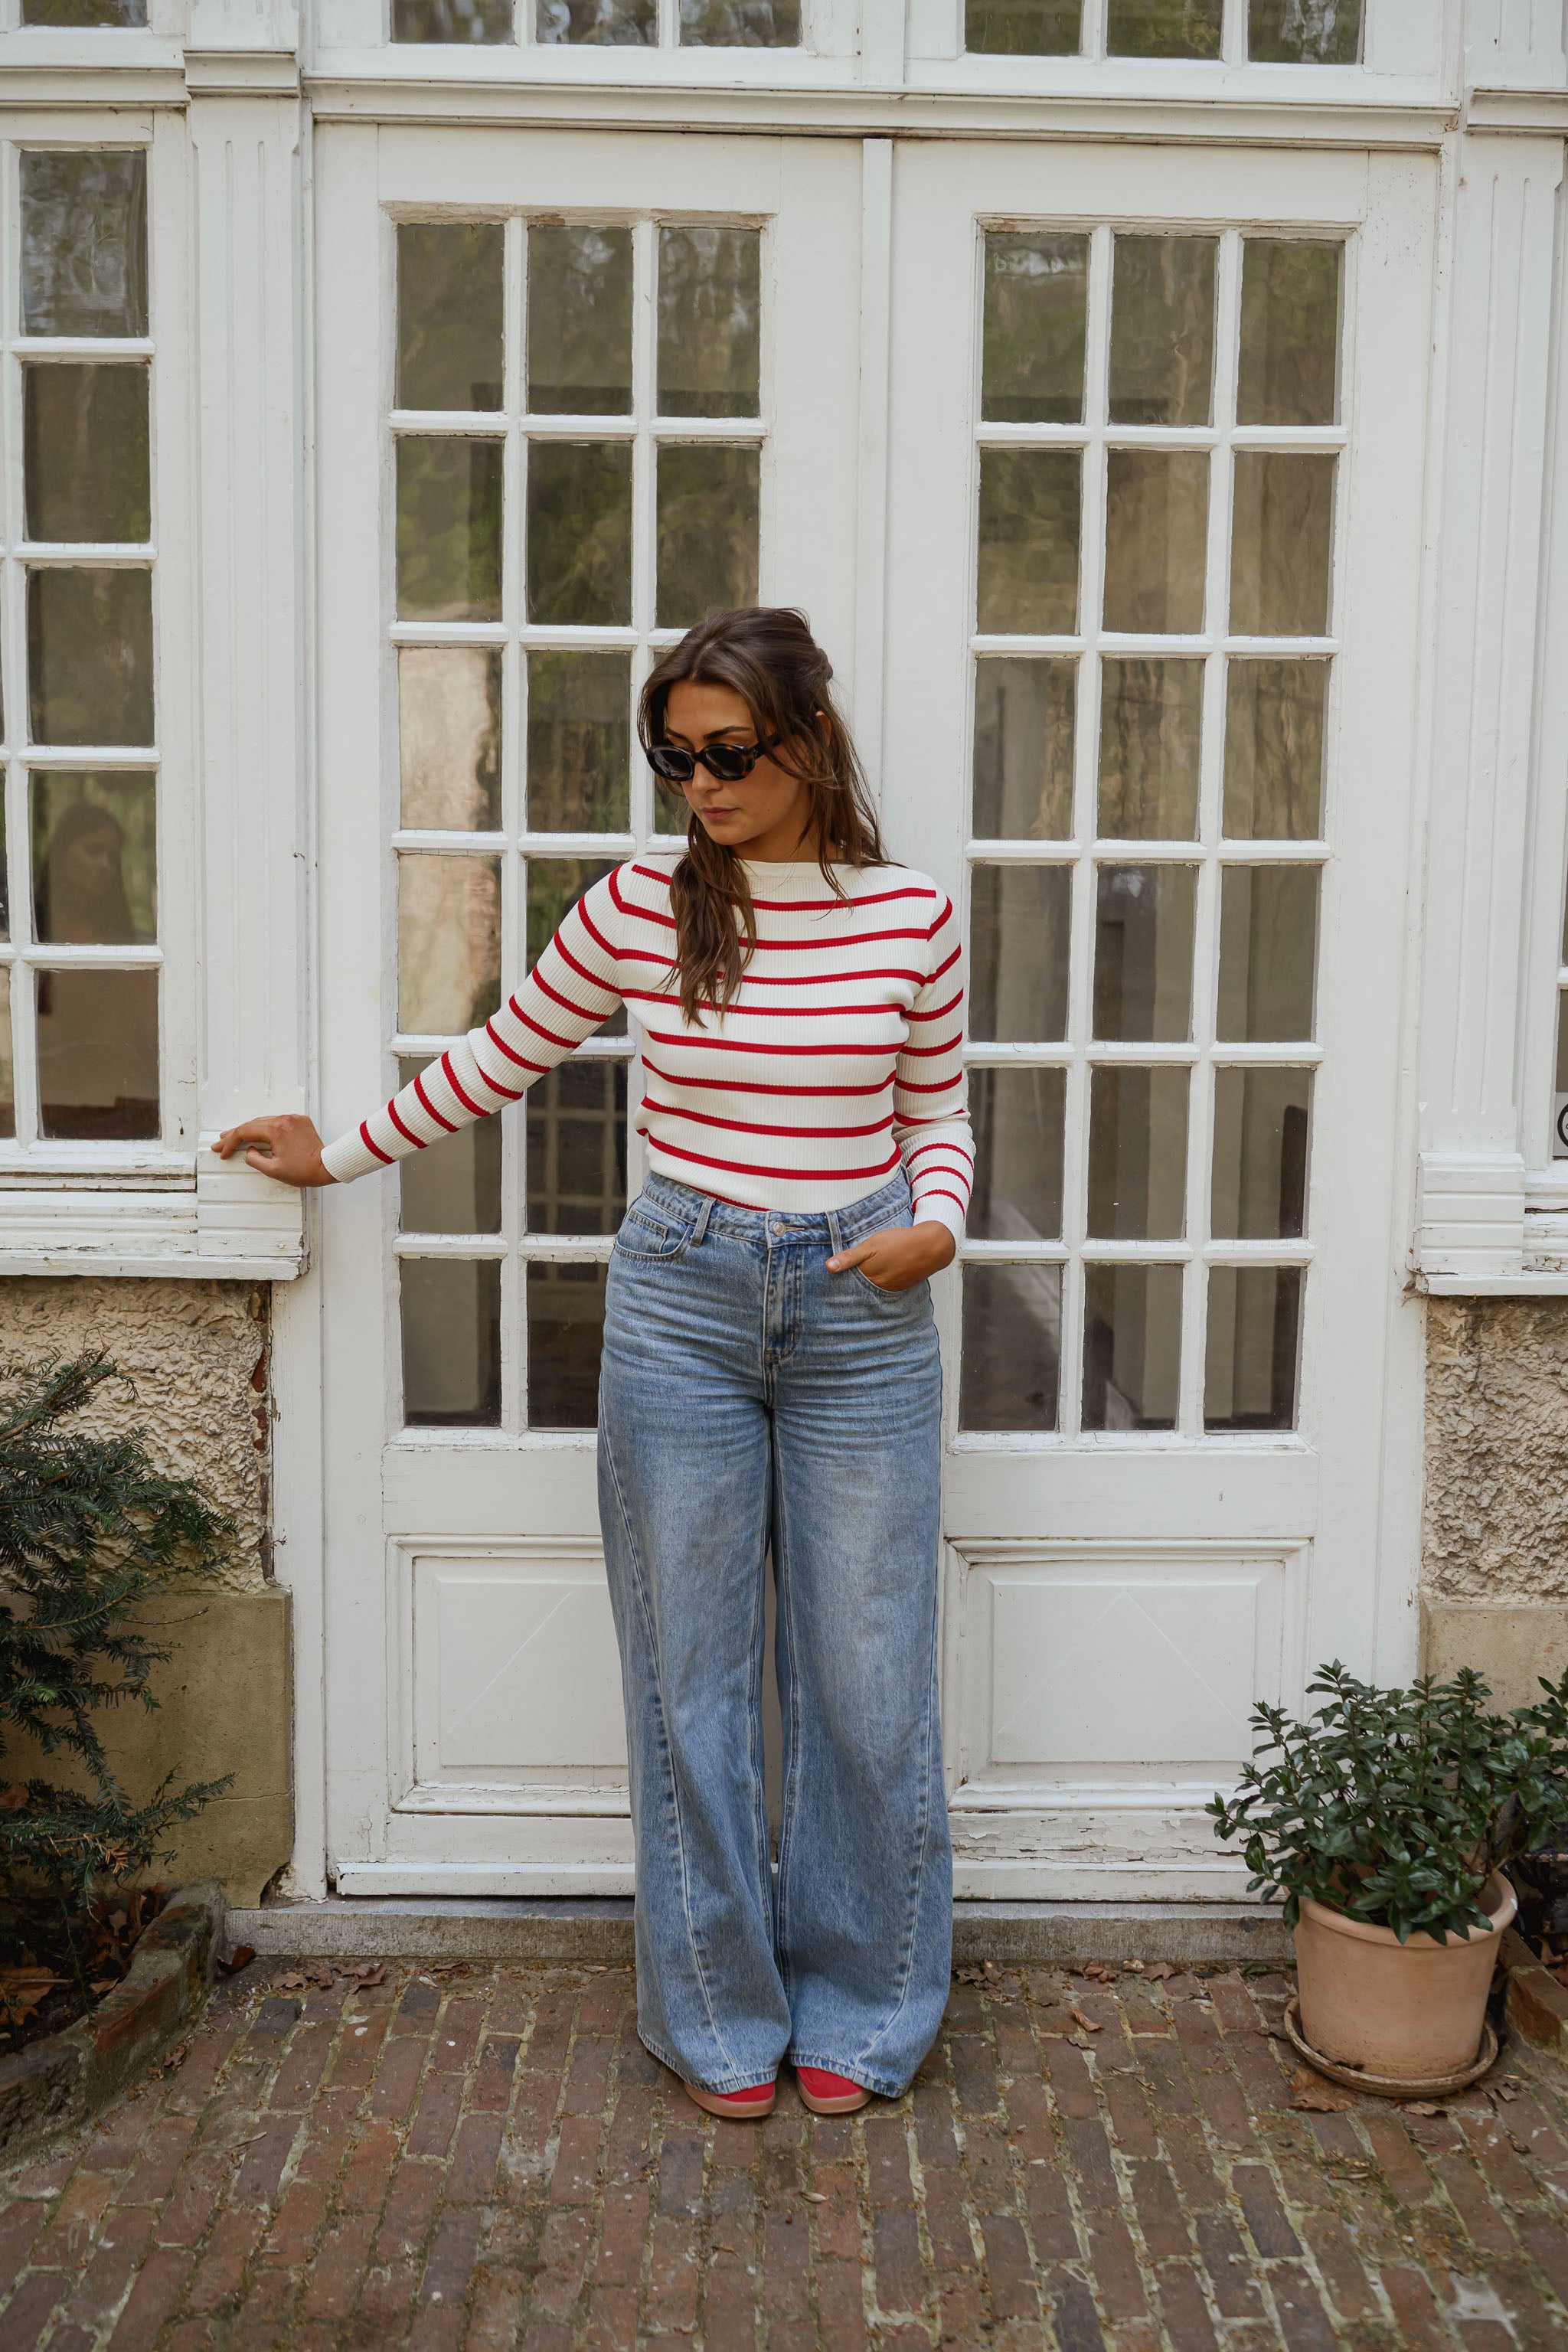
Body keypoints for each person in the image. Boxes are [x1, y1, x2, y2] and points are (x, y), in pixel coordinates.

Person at [217, 606, 973, 2119]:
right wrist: (335, 1153)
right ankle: (717, 2017)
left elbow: (934, 1113)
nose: (701, 784)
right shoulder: (639, 907)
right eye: (674, 758)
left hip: (863, 1308)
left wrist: (937, 1227)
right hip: (682, 1303)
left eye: (728, 752)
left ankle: (866, 2006)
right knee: (690, 1679)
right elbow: (500, 1054)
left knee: (869, 1681)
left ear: (810, 740)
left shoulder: (912, 917)